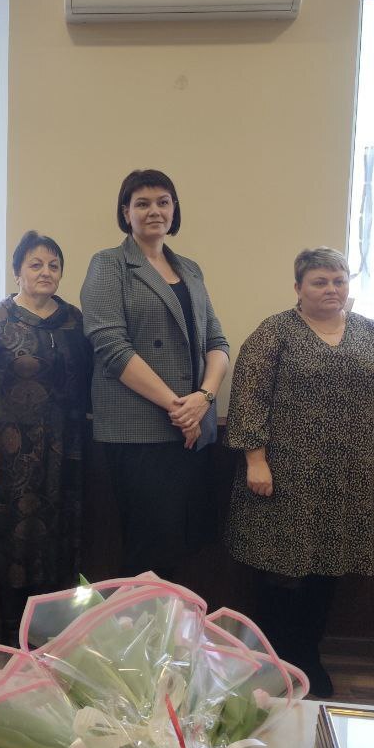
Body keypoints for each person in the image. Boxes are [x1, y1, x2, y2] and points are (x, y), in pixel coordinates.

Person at [224, 248, 374, 697]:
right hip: (284, 475)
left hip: (351, 478)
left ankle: (308, 655)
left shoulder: (371, 334)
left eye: (338, 280)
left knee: (329, 568)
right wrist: (255, 461)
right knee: (281, 571)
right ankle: (274, 662)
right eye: (320, 281)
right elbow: (248, 399)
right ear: (298, 288)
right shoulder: (274, 332)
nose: (331, 289)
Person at [79, 169, 229, 580]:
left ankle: (171, 624)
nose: (154, 211)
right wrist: (178, 407)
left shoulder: (190, 269)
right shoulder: (109, 264)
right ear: (125, 212)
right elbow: (111, 346)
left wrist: (203, 398)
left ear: (174, 209)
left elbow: (217, 342)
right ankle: (140, 623)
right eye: (142, 203)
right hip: (140, 429)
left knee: (183, 546)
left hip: (192, 429)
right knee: (148, 548)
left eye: (163, 202)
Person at [0, 231, 91, 647]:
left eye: (54, 265)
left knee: (56, 544)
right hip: (7, 454)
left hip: (63, 454)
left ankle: (48, 642)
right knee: (11, 543)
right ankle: (10, 638)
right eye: (36, 264)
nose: (45, 272)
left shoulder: (74, 320)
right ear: (17, 271)